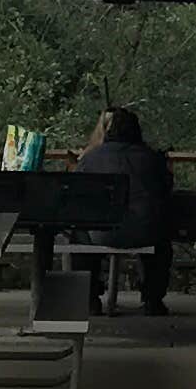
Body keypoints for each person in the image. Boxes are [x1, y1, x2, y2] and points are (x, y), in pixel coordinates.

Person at [72, 105, 176, 314]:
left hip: (101, 233)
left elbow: (78, 192)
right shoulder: (151, 158)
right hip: (145, 232)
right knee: (162, 241)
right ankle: (152, 298)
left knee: (78, 235)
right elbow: (166, 190)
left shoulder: (90, 159)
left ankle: (90, 297)